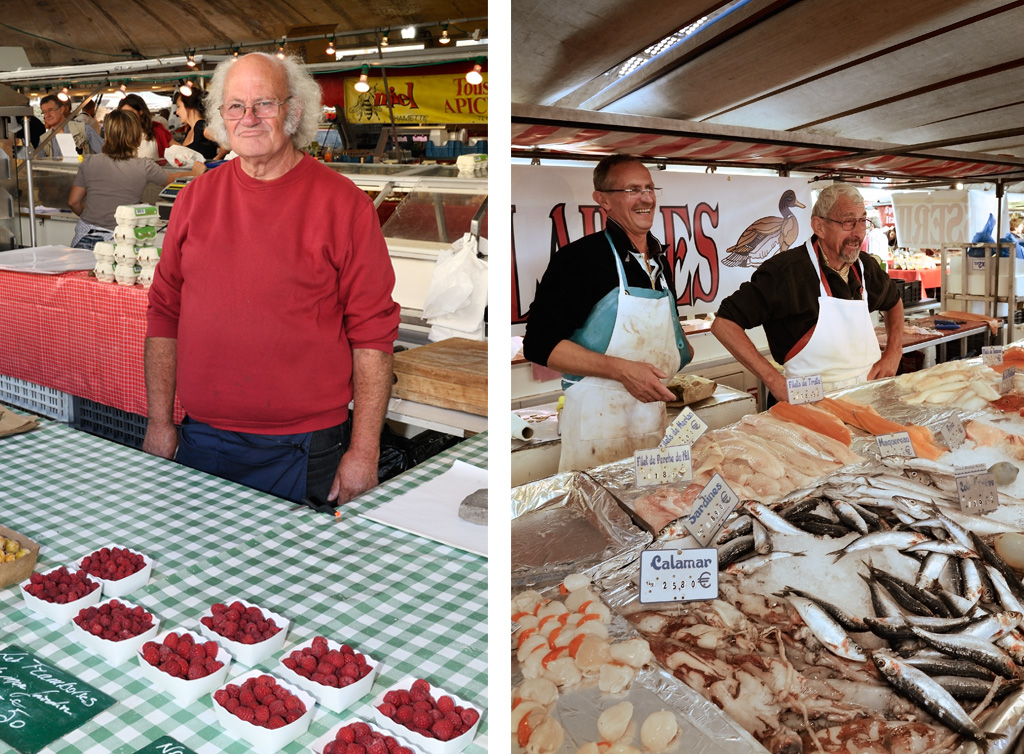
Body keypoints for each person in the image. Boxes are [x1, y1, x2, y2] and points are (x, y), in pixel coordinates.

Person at [144, 52, 400, 507]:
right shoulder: (194, 199)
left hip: (305, 446)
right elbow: (165, 313)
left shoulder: (344, 205)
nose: (249, 118)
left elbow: (373, 334)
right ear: (221, 116)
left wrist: (364, 451)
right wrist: (160, 423)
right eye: (235, 106)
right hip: (202, 435)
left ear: (294, 112)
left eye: (264, 104)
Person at [523, 154, 693, 472]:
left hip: (651, 425)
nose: (646, 198)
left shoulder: (658, 260)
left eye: (649, 188)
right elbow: (538, 344)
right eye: (631, 190)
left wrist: (679, 350)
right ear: (603, 200)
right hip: (596, 435)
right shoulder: (580, 260)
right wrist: (623, 371)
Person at [711, 183, 903, 405]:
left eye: (862, 221)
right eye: (848, 221)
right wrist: (775, 381)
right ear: (819, 226)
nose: (858, 232)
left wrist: (894, 352)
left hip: (867, 397)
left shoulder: (864, 267)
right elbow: (724, 324)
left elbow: (894, 301)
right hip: (809, 404)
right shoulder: (785, 272)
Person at [66, 109, 204, 249]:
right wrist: (194, 172)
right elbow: (173, 180)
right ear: (137, 136)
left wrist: (93, 219)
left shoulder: (89, 161)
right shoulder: (144, 166)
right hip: (117, 242)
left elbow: (73, 201)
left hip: (82, 237)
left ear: (106, 135)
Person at [38, 94, 103, 158]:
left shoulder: (83, 130)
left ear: (62, 109)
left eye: (50, 110)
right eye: (44, 112)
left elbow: (104, 155)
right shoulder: (44, 139)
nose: (47, 115)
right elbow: (39, 165)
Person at [118, 94, 174, 160]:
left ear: (141, 112)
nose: (127, 116)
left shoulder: (157, 131)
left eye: (130, 112)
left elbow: (178, 149)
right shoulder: (118, 134)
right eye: (124, 113)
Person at [173, 89, 221, 160]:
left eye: (179, 107)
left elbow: (227, 143)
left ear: (189, 107)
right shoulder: (190, 129)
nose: (177, 112)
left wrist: (215, 160)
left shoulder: (201, 127)